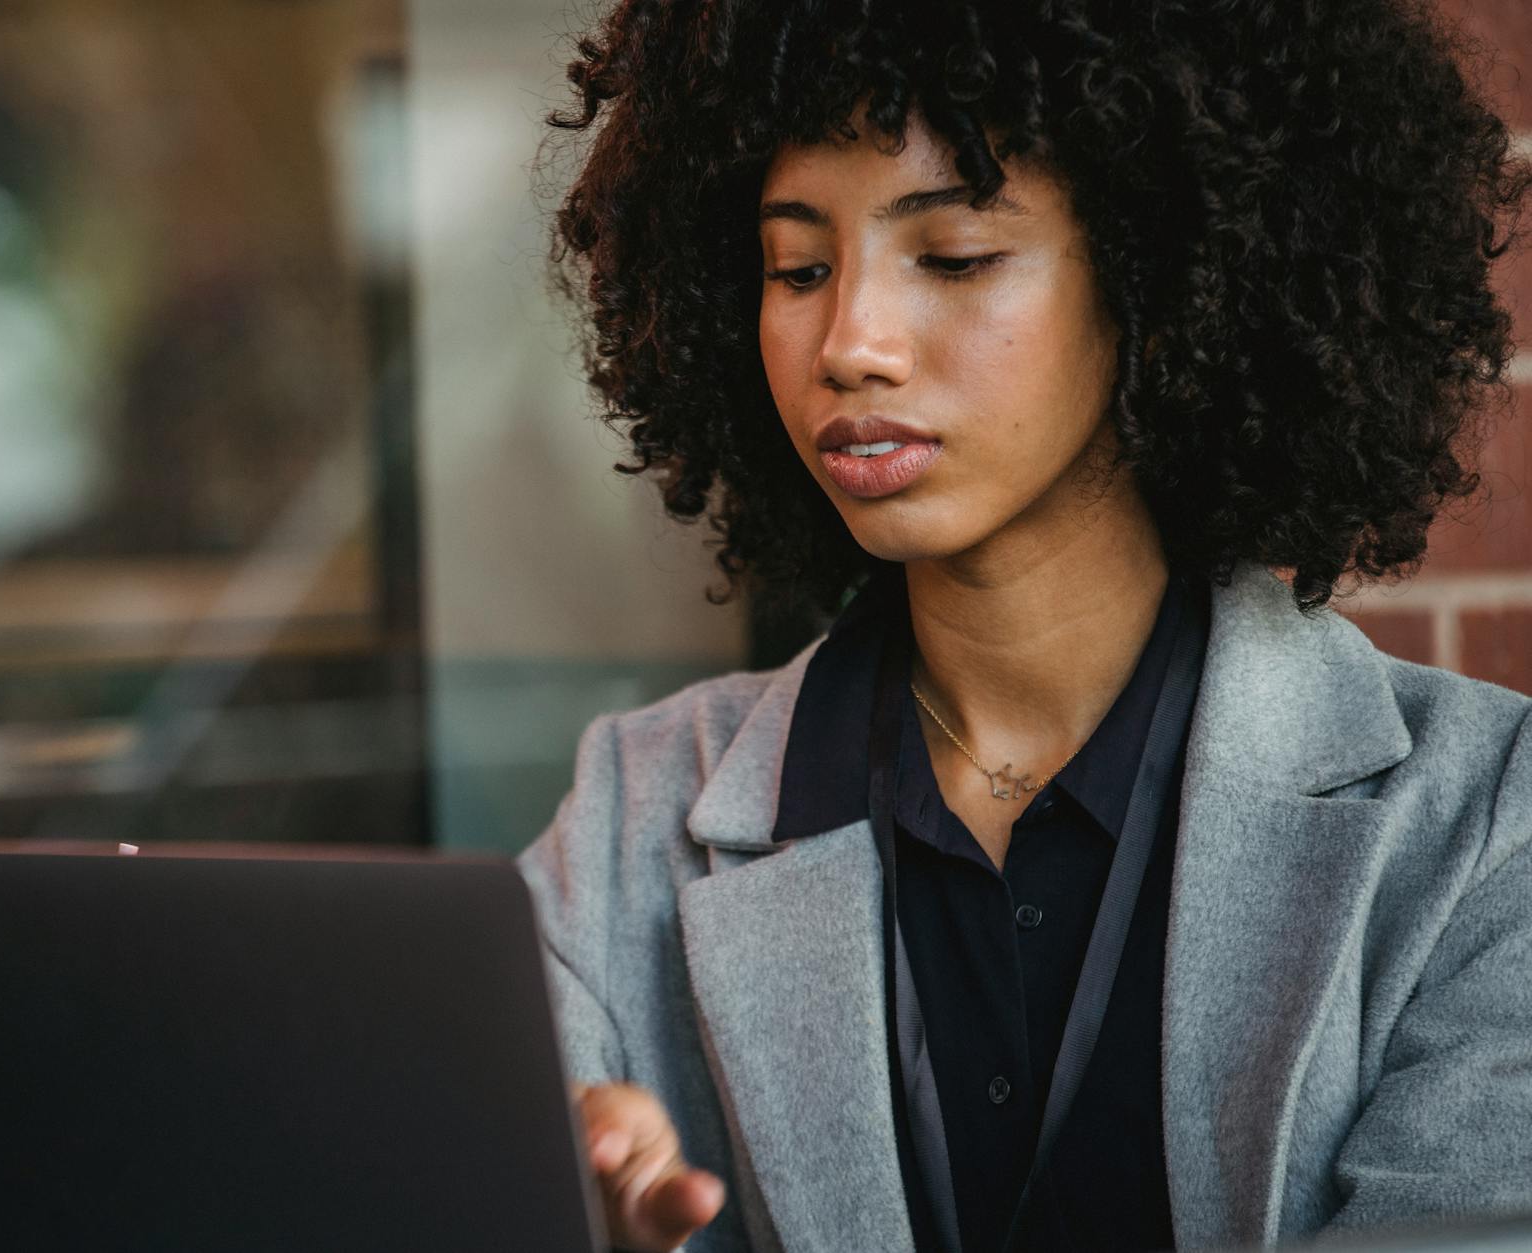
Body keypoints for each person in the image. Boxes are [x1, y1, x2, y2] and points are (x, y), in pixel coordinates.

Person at [515, 1, 1532, 1250]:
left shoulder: (1484, 825)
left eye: (951, 257)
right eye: (796, 268)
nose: (850, 344)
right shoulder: (633, 813)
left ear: (1157, 280)